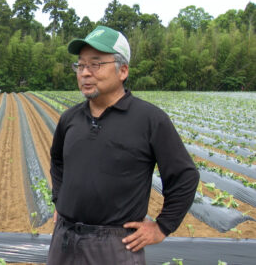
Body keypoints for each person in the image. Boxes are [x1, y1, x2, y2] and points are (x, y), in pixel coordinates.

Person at [47, 26, 199, 265]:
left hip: (115, 245)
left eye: (95, 65)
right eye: (80, 65)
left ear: (123, 70)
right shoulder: (70, 118)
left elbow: (184, 176)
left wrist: (162, 227)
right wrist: (59, 199)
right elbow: (57, 161)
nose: (85, 73)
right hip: (65, 242)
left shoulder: (149, 120)